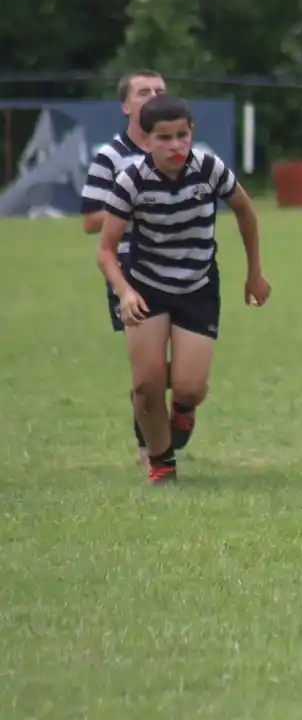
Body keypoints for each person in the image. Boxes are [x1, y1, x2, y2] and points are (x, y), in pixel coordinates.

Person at [96, 94, 271, 485]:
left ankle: (182, 410)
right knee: (146, 384)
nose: (175, 146)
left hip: (197, 286)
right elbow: (106, 251)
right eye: (164, 138)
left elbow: (245, 209)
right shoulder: (131, 180)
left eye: (182, 135)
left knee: (189, 387)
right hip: (146, 287)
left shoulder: (208, 168)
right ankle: (162, 463)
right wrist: (124, 292)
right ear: (146, 139)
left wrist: (254, 273)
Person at [79, 68, 167, 459]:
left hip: (180, 266)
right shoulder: (110, 156)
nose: (153, 96)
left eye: (160, 91)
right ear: (126, 106)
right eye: (144, 91)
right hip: (129, 265)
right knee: (148, 369)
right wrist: (137, 210)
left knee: (181, 370)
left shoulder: (176, 149)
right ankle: (148, 444)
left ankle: (171, 423)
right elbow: (90, 219)